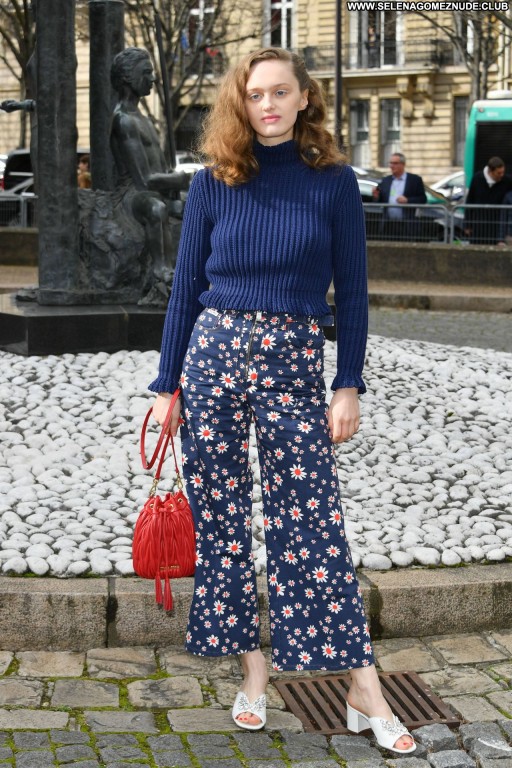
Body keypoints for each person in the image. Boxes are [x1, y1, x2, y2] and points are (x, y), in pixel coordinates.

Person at [148, 47, 415, 752]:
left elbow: (352, 291)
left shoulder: (333, 183)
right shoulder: (213, 182)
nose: (266, 104)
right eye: (254, 93)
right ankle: (253, 672)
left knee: (313, 521)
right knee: (223, 518)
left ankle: (363, 686)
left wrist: (347, 382)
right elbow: (184, 289)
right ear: (240, 102)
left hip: (294, 361)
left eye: (279, 92)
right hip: (213, 359)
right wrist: (167, 384)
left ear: (303, 98)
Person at [110, 47, 188, 291]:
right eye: (146, 72)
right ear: (128, 77)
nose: (153, 78)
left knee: (195, 205)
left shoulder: (143, 117)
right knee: (156, 209)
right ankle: (161, 269)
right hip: (132, 195)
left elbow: (158, 167)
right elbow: (144, 180)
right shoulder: (124, 120)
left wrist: (175, 186)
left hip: (155, 189)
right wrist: (178, 180)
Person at [372, 153, 426, 240]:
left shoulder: (414, 180)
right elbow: (380, 201)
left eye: (395, 163)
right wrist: (376, 196)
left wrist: (407, 200)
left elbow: (423, 199)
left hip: (407, 224)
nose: (392, 166)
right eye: (390, 163)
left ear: (403, 164)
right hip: (389, 224)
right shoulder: (386, 180)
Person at [464, 156, 512, 245]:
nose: (502, 175)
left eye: (503, 172)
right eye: (499, 173)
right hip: (478, 225)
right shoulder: (477, 178)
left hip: (496, 226)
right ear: (490, 171)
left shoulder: (506, 181)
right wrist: (467, 225)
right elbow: (470, 200)